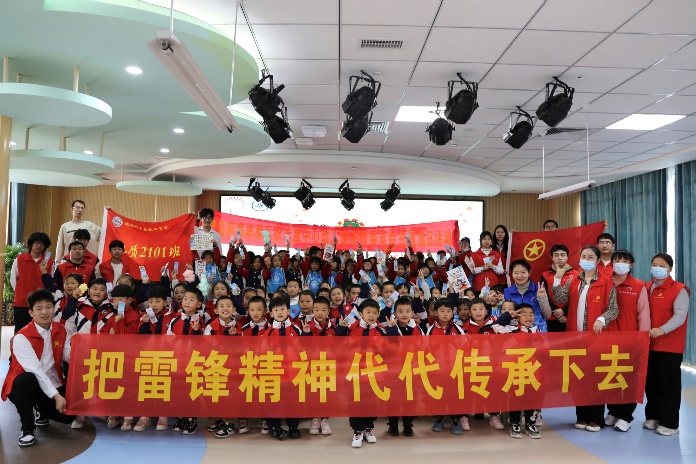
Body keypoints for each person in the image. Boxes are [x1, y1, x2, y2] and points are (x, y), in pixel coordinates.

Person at [552, 245, 618, 432]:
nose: (586, 260)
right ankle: (581, 416)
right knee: (578, 377)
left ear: (597, 261)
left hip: (596, 339)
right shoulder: (574, 280)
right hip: (575, 338)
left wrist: (601, 319)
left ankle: (596, 418)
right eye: (583, 257)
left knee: (595, 377)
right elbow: (560, 299)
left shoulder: (607, 282)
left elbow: (613, 309)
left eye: (590, 257)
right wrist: (557, 278)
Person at [1, 289, 75, 447]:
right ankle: (27, 428)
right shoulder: (22, 337)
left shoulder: (61, 329)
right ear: (31, 312)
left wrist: (81, 348)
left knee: (68, 416)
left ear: (54, 308)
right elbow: (36, 371)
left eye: (48, 307)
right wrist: (56, 396)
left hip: (52, 382)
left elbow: (67, 355)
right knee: (27, 379)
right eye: (39, 308)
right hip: (24, 385)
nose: (44, 312)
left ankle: (41, 410)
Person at [644, 252, 691, 436]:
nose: (658, 268)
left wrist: (662, 330)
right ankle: (653, 416)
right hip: (649, 344)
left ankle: (670, 423)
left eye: (662, 265)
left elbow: (680, 316)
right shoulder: (648, 287)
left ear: (670, 269)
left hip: (669, 345)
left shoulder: (679, 289)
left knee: (668, 385)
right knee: (651, 383)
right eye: (655, 264)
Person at [604, 249, 650, 432]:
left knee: (628, 379)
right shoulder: (605, 282)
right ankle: (613, 411)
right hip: (607, 339)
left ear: (631, 265)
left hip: (630, 340)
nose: (620, 264)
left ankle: (626, 416)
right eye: (617, 260)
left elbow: (643, 314)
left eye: (624, 261)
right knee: (610, 375)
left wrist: (643, 338)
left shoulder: (639, 286)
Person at [387, 297, 422, 438]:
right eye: (400, 311)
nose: (404, 314)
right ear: (395, 313)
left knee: (410, 397)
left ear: (412, 313)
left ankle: (408, 424)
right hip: (394, 369)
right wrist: (392, 330)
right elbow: (389, 347)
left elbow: (420, 346)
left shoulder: (416, 329)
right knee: (393, 398)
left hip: (411, 369)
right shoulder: (390, 327)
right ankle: (393, 424)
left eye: (407, 311)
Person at [10, 232, 54, 333]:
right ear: (31, 244)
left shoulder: (50, 262)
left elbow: (51, 282)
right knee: (20, 330)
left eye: (42, 243)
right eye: (36, 242)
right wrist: (21, 292)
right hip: (22, 303)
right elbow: (13, 280)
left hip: (42, 304)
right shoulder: (19, 259)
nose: (39, 246)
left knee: (41, 331)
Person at [504, 260, 552, 333]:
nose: (519, 276)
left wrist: (542, 298)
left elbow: (547, 315)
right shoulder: (507, 292)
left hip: (539, 333)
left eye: (523, 272)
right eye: (516, 273)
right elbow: (503, 316)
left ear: (529, 273)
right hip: (516, 333)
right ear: (512, 274)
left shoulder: (539, 289)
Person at [540, 245, 578, 332]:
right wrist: (556, 313)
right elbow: (544, 296)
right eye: (556, 255)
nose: (560, 258)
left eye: (562, 255)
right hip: (552, 318)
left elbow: (577, 296)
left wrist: (564, 311)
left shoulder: (576, 274)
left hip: (570, 316)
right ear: (552, 258)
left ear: (567, 257)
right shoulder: (545, 275)